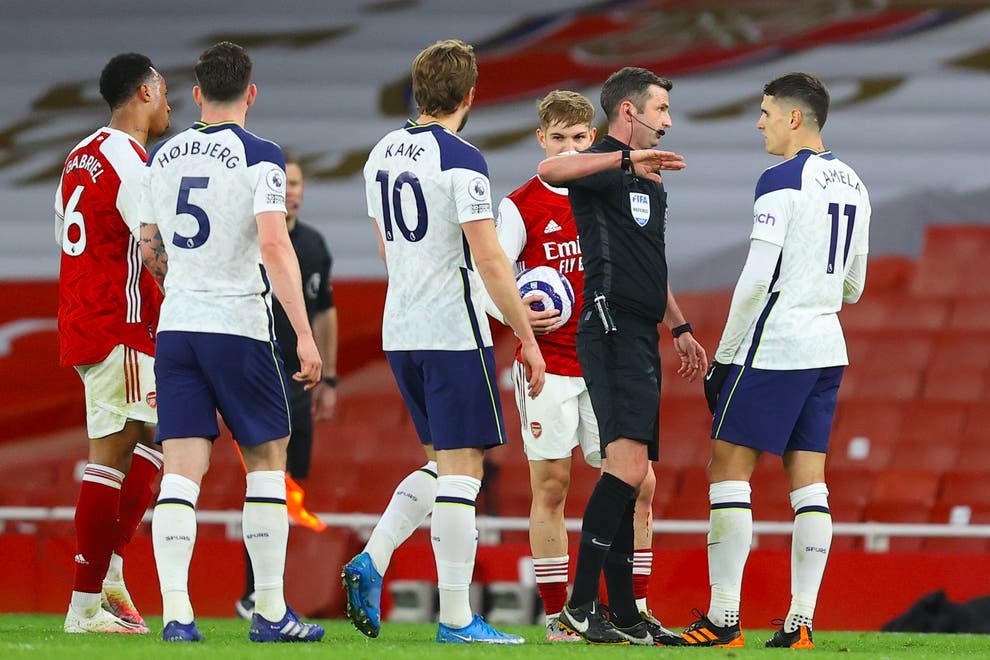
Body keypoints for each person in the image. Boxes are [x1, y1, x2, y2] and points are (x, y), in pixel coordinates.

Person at [342, 38, 545, 645]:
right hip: (453, 327)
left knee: (440, 464)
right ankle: (457, 618)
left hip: (399, 325)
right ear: (470, 95)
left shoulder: (380, 154)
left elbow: (386, 244)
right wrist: (527, 339)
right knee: (464, 471)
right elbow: (488, 257)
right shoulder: (463, 159)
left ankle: (372, 559)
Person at [138, 41, 325, 643]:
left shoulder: (162, 154)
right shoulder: (262, 157)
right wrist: (303, 332)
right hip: (238, 326)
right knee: (268, 462)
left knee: (180, 475)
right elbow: (274, 245)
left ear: (195, 95)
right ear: (250, 93)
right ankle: (270, 611)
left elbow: (149, 245)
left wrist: (180, 280)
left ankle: (175, 615)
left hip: (177, 328)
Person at [677, 72, 870, 649]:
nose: (758, 122)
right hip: (826, 347)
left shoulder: (780, 180)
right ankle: (801, 622)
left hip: (776, 346)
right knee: (810, 485)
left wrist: (726, 357)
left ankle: (723, 619)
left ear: (793, 118)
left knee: (727, 469)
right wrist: (816, 288)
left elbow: (756, 277)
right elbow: (854, 286)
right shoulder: (855, 183)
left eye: (765, 112)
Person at [490, 89, 669, 642]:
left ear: (592, 138)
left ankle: (629, 606)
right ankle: (558, 614)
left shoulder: (605, 190)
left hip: (602, 356)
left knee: (639, 480)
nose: (569, 146)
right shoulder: (521, 204)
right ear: (542, 141)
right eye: (558, 138)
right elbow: (489, 276)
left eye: (578, 137)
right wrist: (522, 329)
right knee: (552, 484)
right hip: (548, 363)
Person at [537, 67, 707, 645]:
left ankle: (625, 614)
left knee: (631, 475)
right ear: (630, 112)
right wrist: (622, 161)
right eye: (660, 109)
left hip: (641, 330)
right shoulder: (602, 162)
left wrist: (680, 325)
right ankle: (580, 609)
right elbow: (548, 169)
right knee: (628, 469)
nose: (668, 121)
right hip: (607, 327)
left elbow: (648, 264)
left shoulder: (652, 181)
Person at [54, 52, 171, 635]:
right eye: (166, 92)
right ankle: (84, 605)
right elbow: (149, 246)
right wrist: (185, 295)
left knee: (155, 432)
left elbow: (69, 236)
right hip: (116, 324)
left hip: (86, 319)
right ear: (145, 93)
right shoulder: (130, 159)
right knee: (111, 456)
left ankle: (111, 574)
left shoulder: (80, 156)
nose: (169, 104)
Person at [235, 156, 338, 619]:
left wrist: (330, 378)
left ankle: (269, 589)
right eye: (286, 183)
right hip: (255, 369)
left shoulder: (314, 245)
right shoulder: (252, 236)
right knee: (264, 479)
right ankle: (253, 590)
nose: (291, 191)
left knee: (290, 486)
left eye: (297, 183)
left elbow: (326, 311)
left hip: (298, 380)